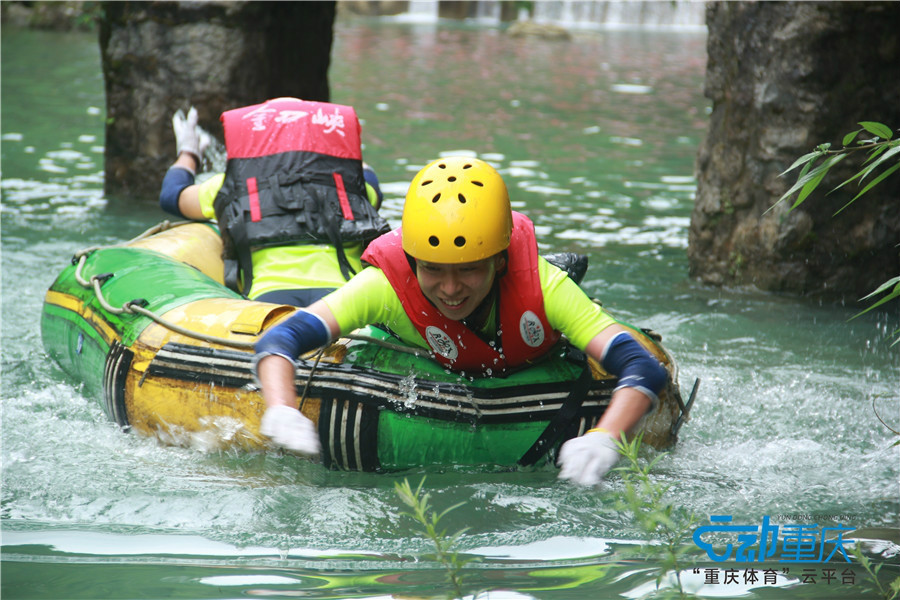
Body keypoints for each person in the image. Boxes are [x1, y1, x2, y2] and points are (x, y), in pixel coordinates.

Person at [253, 156, 668, 486]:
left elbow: (642, 367)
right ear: (412, 260)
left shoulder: (543, 287)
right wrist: (282, 408)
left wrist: (605, 435)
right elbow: (281, 339)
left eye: (469, 269)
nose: (450, 289)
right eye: (433, 269)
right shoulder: (383, 286)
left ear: (500, 260)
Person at [158, 97, 390, 306]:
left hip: (268, 301)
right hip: (344, 302)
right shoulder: (346, 185)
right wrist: (343, 149)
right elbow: (372, 187)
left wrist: (189, 153)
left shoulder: (232, 184)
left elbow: (172, 195)